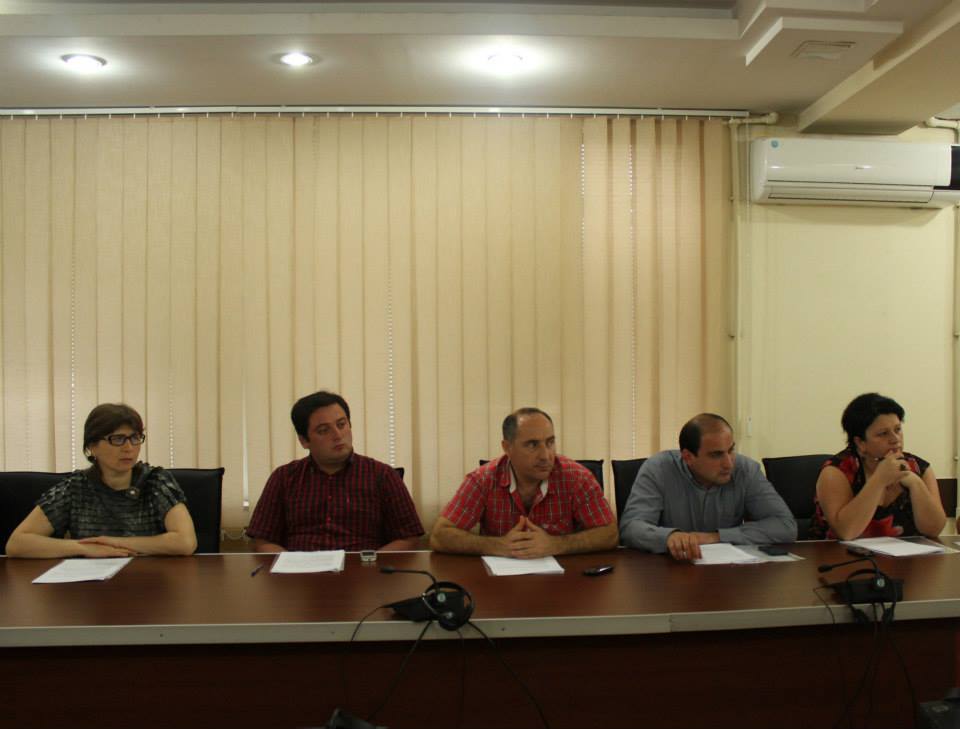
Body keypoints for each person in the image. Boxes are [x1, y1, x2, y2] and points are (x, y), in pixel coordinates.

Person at [5, 403, 197, 558]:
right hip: (91, 585)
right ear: (92, 446)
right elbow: (17, 543)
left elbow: (185, 542)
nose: (129, 447)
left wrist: (113, 543)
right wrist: (83, 548)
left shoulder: (155, 481)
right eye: (117, 439)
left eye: (135, 438)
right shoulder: (75, 487)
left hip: (151, 580)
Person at [246, 390, 424, 552]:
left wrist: (372, 563)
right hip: (300, 573)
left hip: (363, 572)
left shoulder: (382, 475)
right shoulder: (284, 477)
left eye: (341, 424)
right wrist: (290, 565)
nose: (338, 435)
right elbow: (262, 539)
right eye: (324, 430)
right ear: (304, 441)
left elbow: (409, 537)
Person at [430, 407, 618, 558]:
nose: (545, 455)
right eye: (532, 445)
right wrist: (498, 545)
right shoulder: (482, 480)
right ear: (507, 447)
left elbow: (609, 534)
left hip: (564, 582)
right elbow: (440, 536)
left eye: (550, 442)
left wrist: (556, 545)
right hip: (498, 584)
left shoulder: (577, 477)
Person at [619, 413, 796, 561]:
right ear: (688, 457)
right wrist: (669, 537)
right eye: (716, 455)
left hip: (728, 574)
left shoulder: (746, 470)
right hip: (670, 573)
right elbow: (631, 527)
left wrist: (715, 537)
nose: (729, 464)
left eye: (730, 450)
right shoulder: (658, 469)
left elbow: (785, 526)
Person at [810, 393, 945, 540]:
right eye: (883, 434)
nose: (895, 439)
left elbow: (934, 530)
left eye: (898, 429)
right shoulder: (837, 471)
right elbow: (846, 532)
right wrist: (879, 479)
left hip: (907, 554)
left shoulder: (919, 467)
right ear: (860, 442)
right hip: (838, 553)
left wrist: (915, 483)